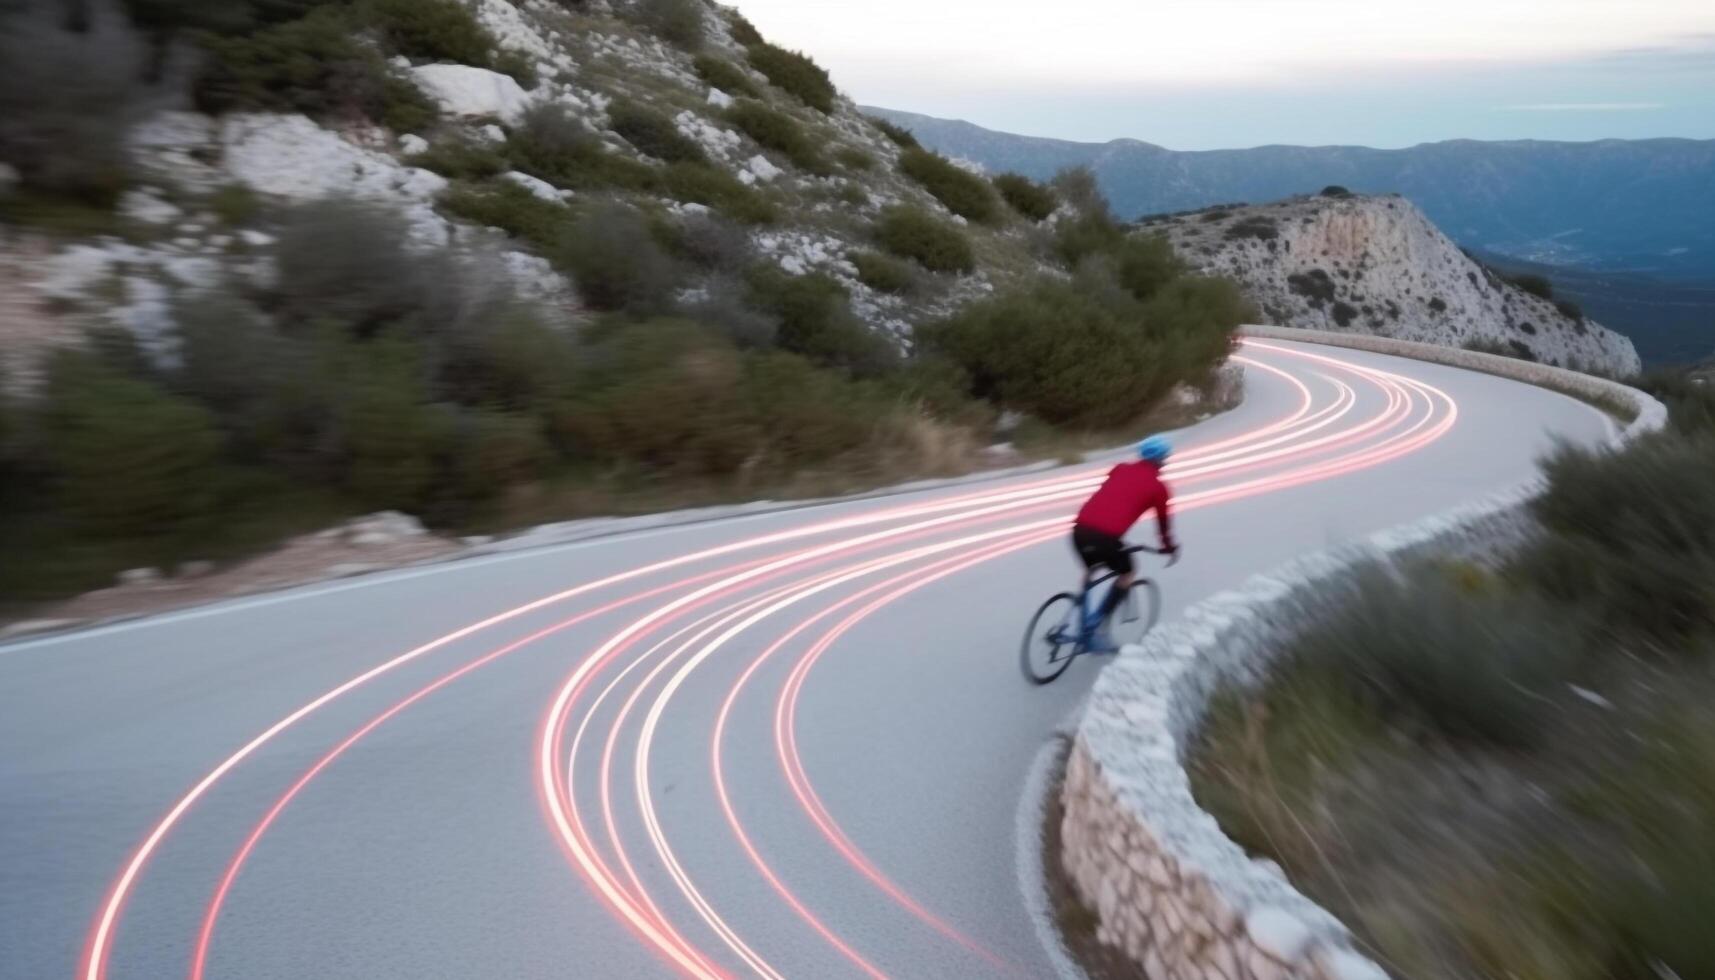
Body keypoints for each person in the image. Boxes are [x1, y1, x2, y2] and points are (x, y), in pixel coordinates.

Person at [1070, 435, 1179, 652]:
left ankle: (1083, 616)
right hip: (1107, 537)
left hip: (1079, 530)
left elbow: (1113, 497)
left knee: (1092, 566)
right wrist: (1168, 546)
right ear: (1163, 459)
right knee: (1127, 573)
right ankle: (1095, 630)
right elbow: (1163, 523)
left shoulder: (1119, 469)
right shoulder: (1159, 488)